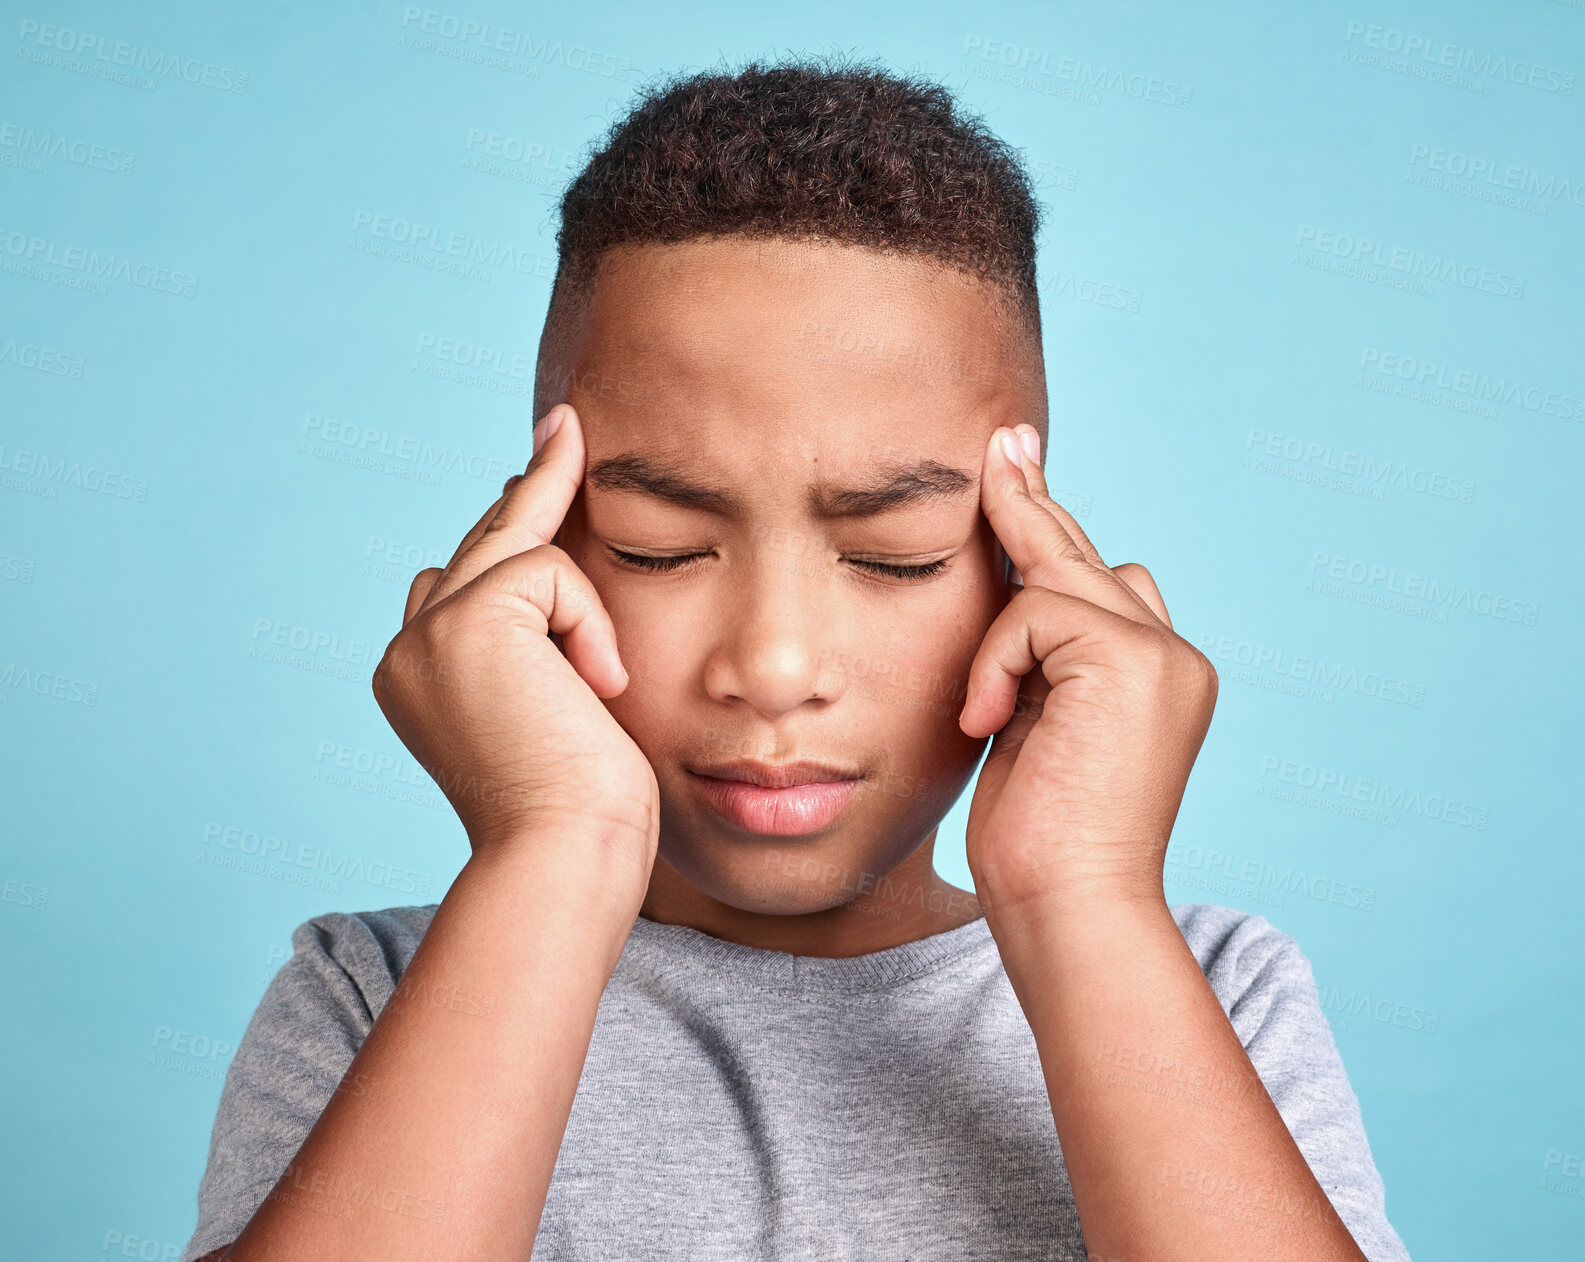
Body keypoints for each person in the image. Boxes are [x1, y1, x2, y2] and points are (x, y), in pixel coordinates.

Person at [178, 56, 1410, 1262]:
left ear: (1028, 571)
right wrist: (552, 844)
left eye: (897, 553)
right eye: (657, 546)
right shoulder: (375, 991)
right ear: (542, 554)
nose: (771, 664)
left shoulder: (1208, 992)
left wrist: (1082, 889)